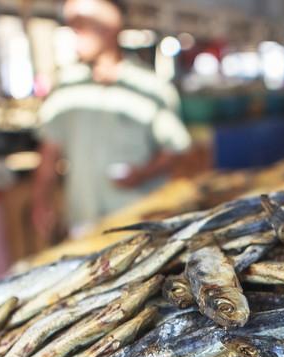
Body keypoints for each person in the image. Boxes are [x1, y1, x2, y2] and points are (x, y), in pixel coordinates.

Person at [32, 0, 191, 240]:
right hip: (84, 223)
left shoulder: (151, 88)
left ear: (109, 26)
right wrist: (41, 199)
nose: (74, 35)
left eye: (80, 27)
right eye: (71, 27)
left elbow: (175, 150)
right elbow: (49, 152)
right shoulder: (65, 88)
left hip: (141, 224)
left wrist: (144, 173)